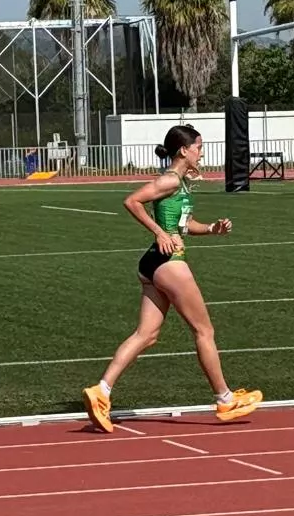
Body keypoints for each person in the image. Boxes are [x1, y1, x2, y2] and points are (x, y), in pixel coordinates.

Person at [82, 123, 263, 432]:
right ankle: (224, 399)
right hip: (169, 263)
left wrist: (210, 229)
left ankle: (101, 391)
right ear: (184, 150)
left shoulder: (180, 181)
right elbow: (132, 201)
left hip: (153, 263)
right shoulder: (169, 179)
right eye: (199, 148)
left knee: (146, 335)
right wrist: (159, 232)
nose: (202, 154)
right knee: (204, 330)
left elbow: (184, 222)